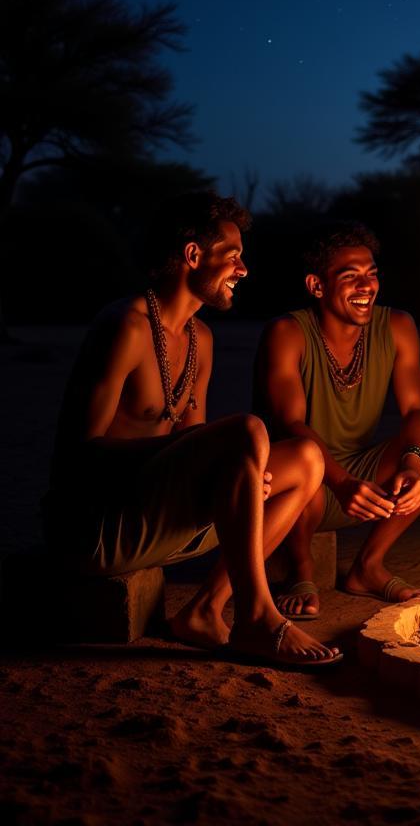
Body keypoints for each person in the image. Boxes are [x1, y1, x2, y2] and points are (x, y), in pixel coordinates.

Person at [43, 192, 340, 668]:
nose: (243, 270)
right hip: (98, 528)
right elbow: (80, 457)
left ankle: (204, 610)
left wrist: (243, 477)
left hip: (159, 518)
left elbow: (198, 450)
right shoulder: (127, 326)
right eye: (233, 257)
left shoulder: (201, 339)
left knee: (306, 458)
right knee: (249, 430)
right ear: (193, 256)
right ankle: (258, 617)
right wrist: (220, 448)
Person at [255, 222, 420, 617]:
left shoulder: (397, 326)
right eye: (351, 278)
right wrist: (342, 483)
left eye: (372, 275)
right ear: (317, 286)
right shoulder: (287, 332)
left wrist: (414, 465)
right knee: (303, 457)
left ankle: (368, 567)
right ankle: (301, 572)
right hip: (298, 479)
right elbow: (290, 425)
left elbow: (416, 409)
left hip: (361, 476)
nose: (367, 287)